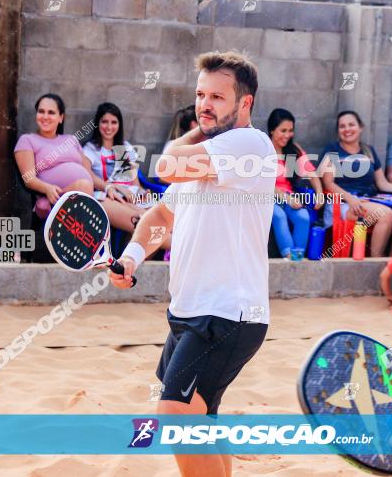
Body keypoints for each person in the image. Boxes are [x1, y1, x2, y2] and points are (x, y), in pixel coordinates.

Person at [108, 51, 276, 477]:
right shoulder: (209, 152)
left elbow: (165, 166)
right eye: (200, 94)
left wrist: (193, 135)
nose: (205, 104)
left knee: (176, 417)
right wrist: (131, 258)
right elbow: (163, 216)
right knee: (200, 422)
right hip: (188, 312)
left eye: (217, 96)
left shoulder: (250, 145)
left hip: (228, 314)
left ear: (245, 104)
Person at [319, 111, 392, 257]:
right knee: (384, 214)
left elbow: (382, 183)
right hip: (344, 204)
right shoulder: (332, 150)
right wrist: (350, 198)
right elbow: (328, 183)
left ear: (361, 128)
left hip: (369, 201)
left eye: (351, 125)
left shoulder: (368, 151)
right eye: (342, 126)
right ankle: (375, 263)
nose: (347, 129)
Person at [82, 102, 161, 238]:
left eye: (114, 122)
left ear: (119, 125)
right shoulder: (90, 149)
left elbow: (134, 182)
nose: (109, 127)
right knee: (145, 220)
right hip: (109, 196)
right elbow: (87, 175)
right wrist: (115, 188)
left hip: (130, 195)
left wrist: (142, 192)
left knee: (160, 214)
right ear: (97, 123)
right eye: (104, 122)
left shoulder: (125, 147)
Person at [13, 93, 93, 218]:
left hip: (87, 193)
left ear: (61, 118)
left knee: (131, 212)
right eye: (41, 111)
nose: (45, 116)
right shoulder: (27, 140)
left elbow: (89, 173)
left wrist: (109, 187)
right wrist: (47, 189)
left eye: (51, 112)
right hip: (56, 195)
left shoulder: (71, 140)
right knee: (84, 186)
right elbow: (28, 178)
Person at [267, 108, 324, 261]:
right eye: (283, 130)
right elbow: (262, 183)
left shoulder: (294, 149)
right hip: (267, 197)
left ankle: (296, 258)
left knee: (304, 217)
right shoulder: (263, 149)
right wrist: (287, 198)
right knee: (278, 216)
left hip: (289, 197)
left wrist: (319, 193)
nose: (287, 135)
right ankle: (290, 257)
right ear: (272, 130)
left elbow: (311, 173)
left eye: (290, 130)